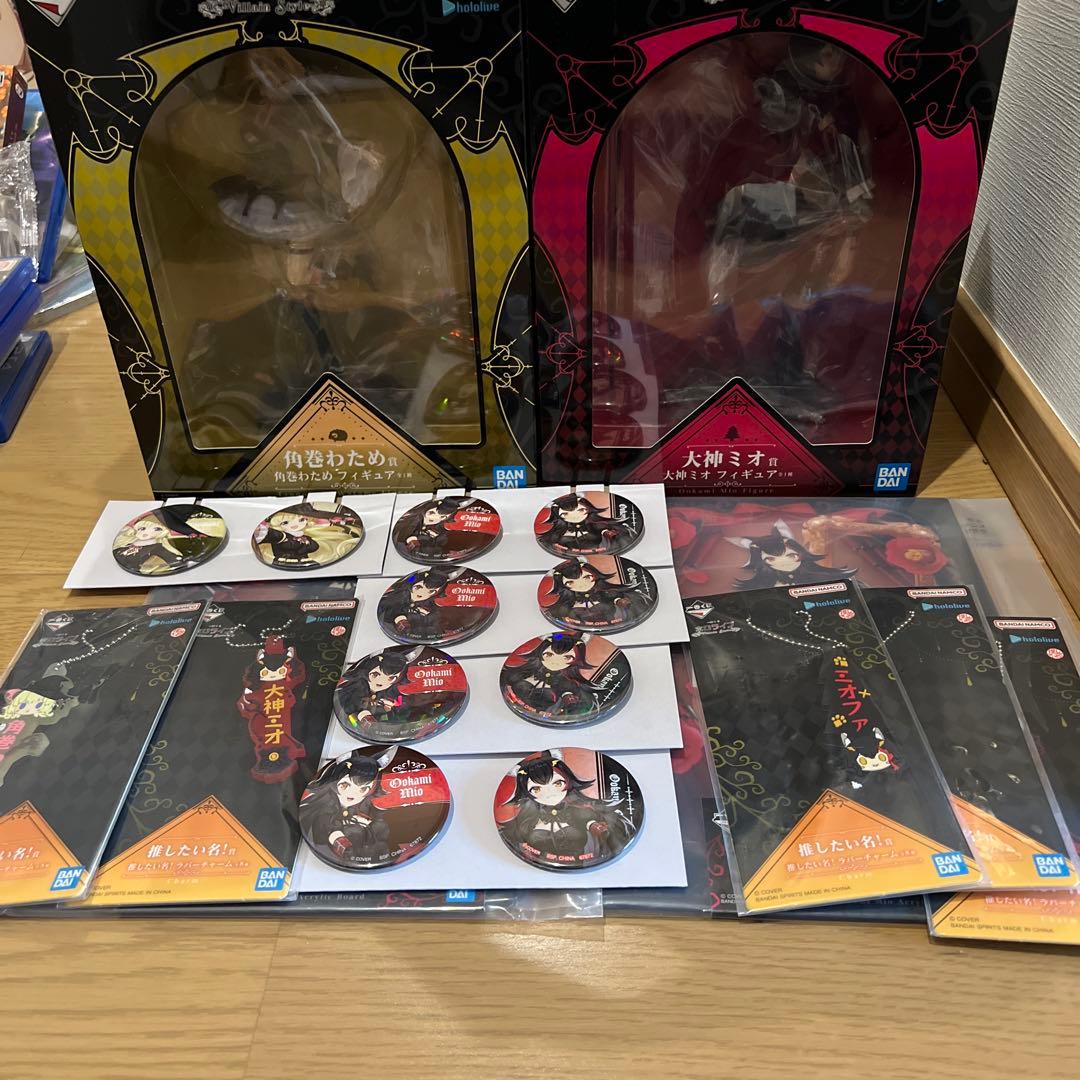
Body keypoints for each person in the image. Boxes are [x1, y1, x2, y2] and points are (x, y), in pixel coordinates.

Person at [498, 750, 634, 862]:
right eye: (536, 789)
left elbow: (590, 821)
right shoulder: (526, 821)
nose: (549, 793)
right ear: (526, 793)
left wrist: (598, 828)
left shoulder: (577, 812)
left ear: (568, 781)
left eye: (557, 783)